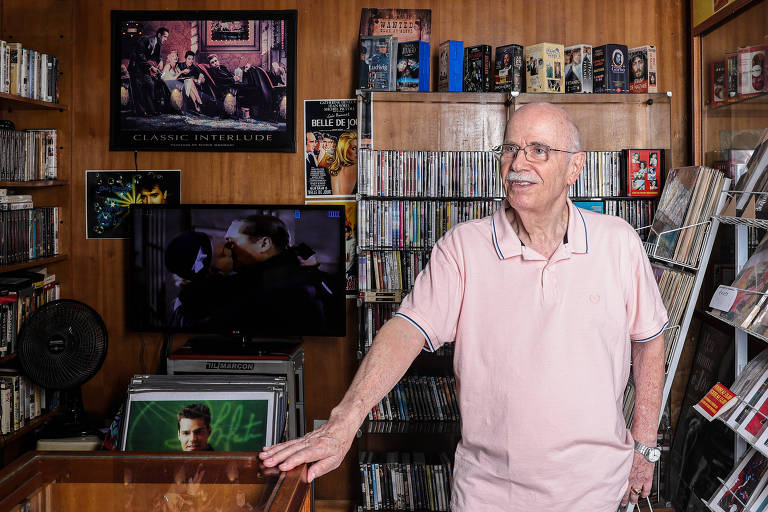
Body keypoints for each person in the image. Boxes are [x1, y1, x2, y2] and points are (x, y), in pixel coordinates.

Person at [260, 103, 667, 511]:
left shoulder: (619, 242)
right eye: (510, 149)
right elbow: (406, 330)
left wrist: (645, 444)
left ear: (574, 168)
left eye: (538, 150)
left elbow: (648, 342)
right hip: (489, 495)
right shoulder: (463, 247)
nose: (517, 163)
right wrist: (344, 422)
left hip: (597, 491)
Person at [127, 26, 169, 116]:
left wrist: (161, 61)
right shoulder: (145, 39)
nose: (166, 39)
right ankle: (141, 112)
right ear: (159, 35)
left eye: (167, 37)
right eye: (165, 37)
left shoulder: (158, 45)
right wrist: (151, 67)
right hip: (136, 67)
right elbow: (139, 55)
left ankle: (151, 110)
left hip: (144, 68)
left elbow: (158, 56)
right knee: (138, 89)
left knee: (151, 85)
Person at [323, 131, 357, 195]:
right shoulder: (357, 167)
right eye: (354, 148)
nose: (358, 151)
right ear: (344, 149)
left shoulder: (332, 167)